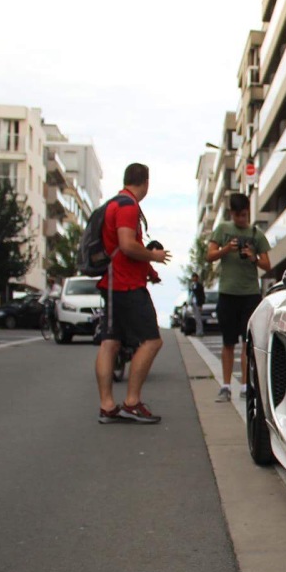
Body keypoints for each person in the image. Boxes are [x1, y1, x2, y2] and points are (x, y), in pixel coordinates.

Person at [95, 163, 172, 424]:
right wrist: (154, 255)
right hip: (126, 285)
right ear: (146, 183)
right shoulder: (127, 206)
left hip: (115, 283)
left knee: (111, 342)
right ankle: (131, 402)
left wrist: (148, 269)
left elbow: (122, 246)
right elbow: (128, 245)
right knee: (152, 340)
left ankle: (107, 406)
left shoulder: (115, 203)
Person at [206, 193, 270, 402]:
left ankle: (244, 385)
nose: (242, 219)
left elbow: (267, 264)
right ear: (231, 213)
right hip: (228, 293)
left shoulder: (256, 233)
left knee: (246, 343)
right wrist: (227, 249)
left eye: (245, 215)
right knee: (228, 341)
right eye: (238, 215)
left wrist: (254, 257)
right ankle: (225, 386)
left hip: (250, 293)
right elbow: (209, 255)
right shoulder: (223, 229)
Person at [188, 272, 206, 337]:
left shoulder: (199, 286)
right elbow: (190, 295)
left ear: (197, 278)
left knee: (198, 318)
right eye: (193, 277)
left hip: (198, 303)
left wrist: (201, 305)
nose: (193, 278)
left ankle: (200, 332)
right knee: (195, 318)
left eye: (195, 277)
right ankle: (197, 331)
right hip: (193, 303)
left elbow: (202, 295)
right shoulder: (191, 285)